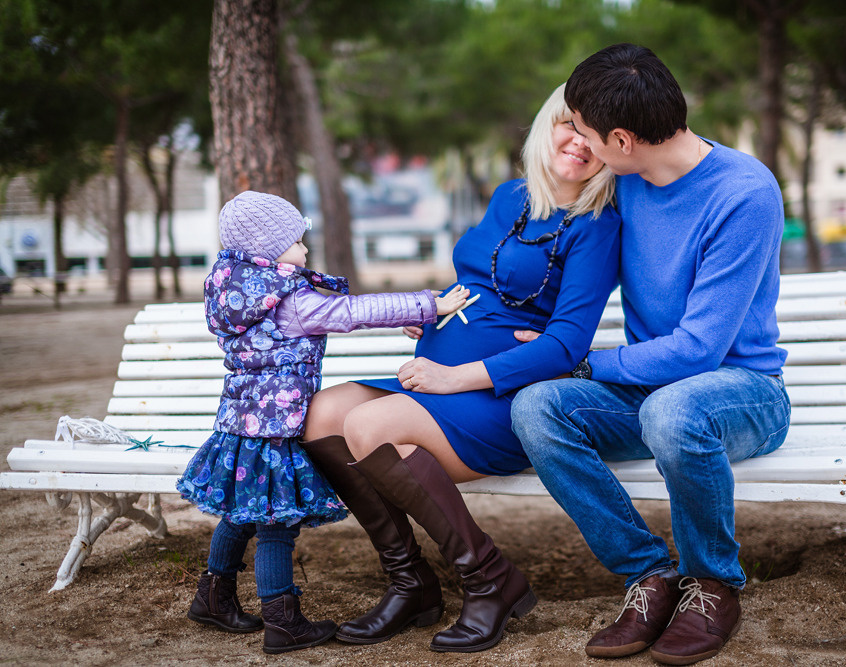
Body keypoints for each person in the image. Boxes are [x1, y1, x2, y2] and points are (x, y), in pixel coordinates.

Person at [299, 83, 621, 653]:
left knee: (369, 429)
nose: (578, 140)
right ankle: (411, 583)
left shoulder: (597, 225)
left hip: (500, 397)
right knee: (322, 415)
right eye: (570, 122)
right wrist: (436, 312)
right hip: (437, 376)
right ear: (548, 123)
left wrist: (455, 376)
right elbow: (481, 278)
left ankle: (489, 578)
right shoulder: (510, 195)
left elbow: (567, 345)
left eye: (594, 133)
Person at [509, 44, 792, 666]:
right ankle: (651, 574)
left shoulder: (744, 192)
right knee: (538, 409)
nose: (576, 143)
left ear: (621, 138)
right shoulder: (622, 183)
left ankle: (712, 584)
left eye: (583, 130)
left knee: (675, 412)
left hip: (740, 390)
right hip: (654, 386)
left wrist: (584, 364)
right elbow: (557, 270)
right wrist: (458, 322)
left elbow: (698, 350)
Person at [176, 190, 468, 655]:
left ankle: (213, 596)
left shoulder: (234, 289)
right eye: (296, 241)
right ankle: (283, 621)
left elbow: (340, 310)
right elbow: (352, 313)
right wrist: (428, 305)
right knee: (275, 520)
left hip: (240, 423)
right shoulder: (287, 300)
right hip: (274, 430)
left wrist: (409, 317)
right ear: (267, 252)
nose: (305, 249)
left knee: (241, 511)